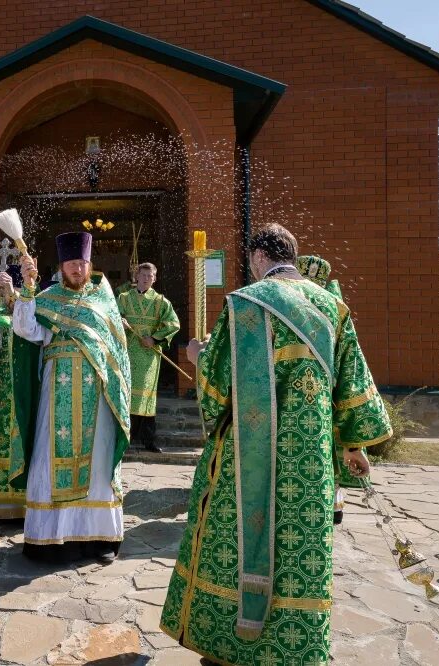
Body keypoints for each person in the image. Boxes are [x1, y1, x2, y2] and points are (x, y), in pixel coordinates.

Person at [159, 224, 392, 665]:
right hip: (309, 462)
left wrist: (195, 357)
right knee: (298, 553)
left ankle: (228, 644)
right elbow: (353, 386)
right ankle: (294, 651)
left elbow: (218, 387)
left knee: (231, 541)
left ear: (259, 258)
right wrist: (352, 447)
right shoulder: (333, 307)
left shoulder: (246, 304)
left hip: (247, 457)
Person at [15, 232, 133, 564]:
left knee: (97, 463)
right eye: (71, 264)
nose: (77, 269)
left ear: (89, 264)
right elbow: (26, 330)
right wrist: (27, 287)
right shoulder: (47, 297)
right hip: (58, 389)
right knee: (51, 460)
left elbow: (117, 349)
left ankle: (99, 538)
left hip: (97, 393)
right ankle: (52, 539)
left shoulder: (103, 299)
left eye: (81, 263)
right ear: (62, 267)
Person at [296, 254, 360, 525]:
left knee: (330, 451)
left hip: (325, 394)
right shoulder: (331, 307)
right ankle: (326, 507)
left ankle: (333, 505)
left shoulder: (329, 308)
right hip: (317, 393)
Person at [0, 265, 40, 520]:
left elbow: (35, 332)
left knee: (27, 432)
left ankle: (26, 500)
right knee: (0, 433)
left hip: (27, 381)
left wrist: (18, 298)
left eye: (14, 284)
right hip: (2, 381)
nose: (8, 289)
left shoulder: (30, 302)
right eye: (4, 284)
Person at [117, 263, 180, 454]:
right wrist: (121, 321)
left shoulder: (161, 302)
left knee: (146, 396)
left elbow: (173, 324)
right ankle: (125, 439)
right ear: (137, 276)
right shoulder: (124, 298)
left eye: (149, 276)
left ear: (155, 278)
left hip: (148, 356)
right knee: (127, 395)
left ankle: (148, 440)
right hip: (128, 352)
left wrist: (154, 338)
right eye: (143, 275)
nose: (146, 279)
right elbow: (112, 317)